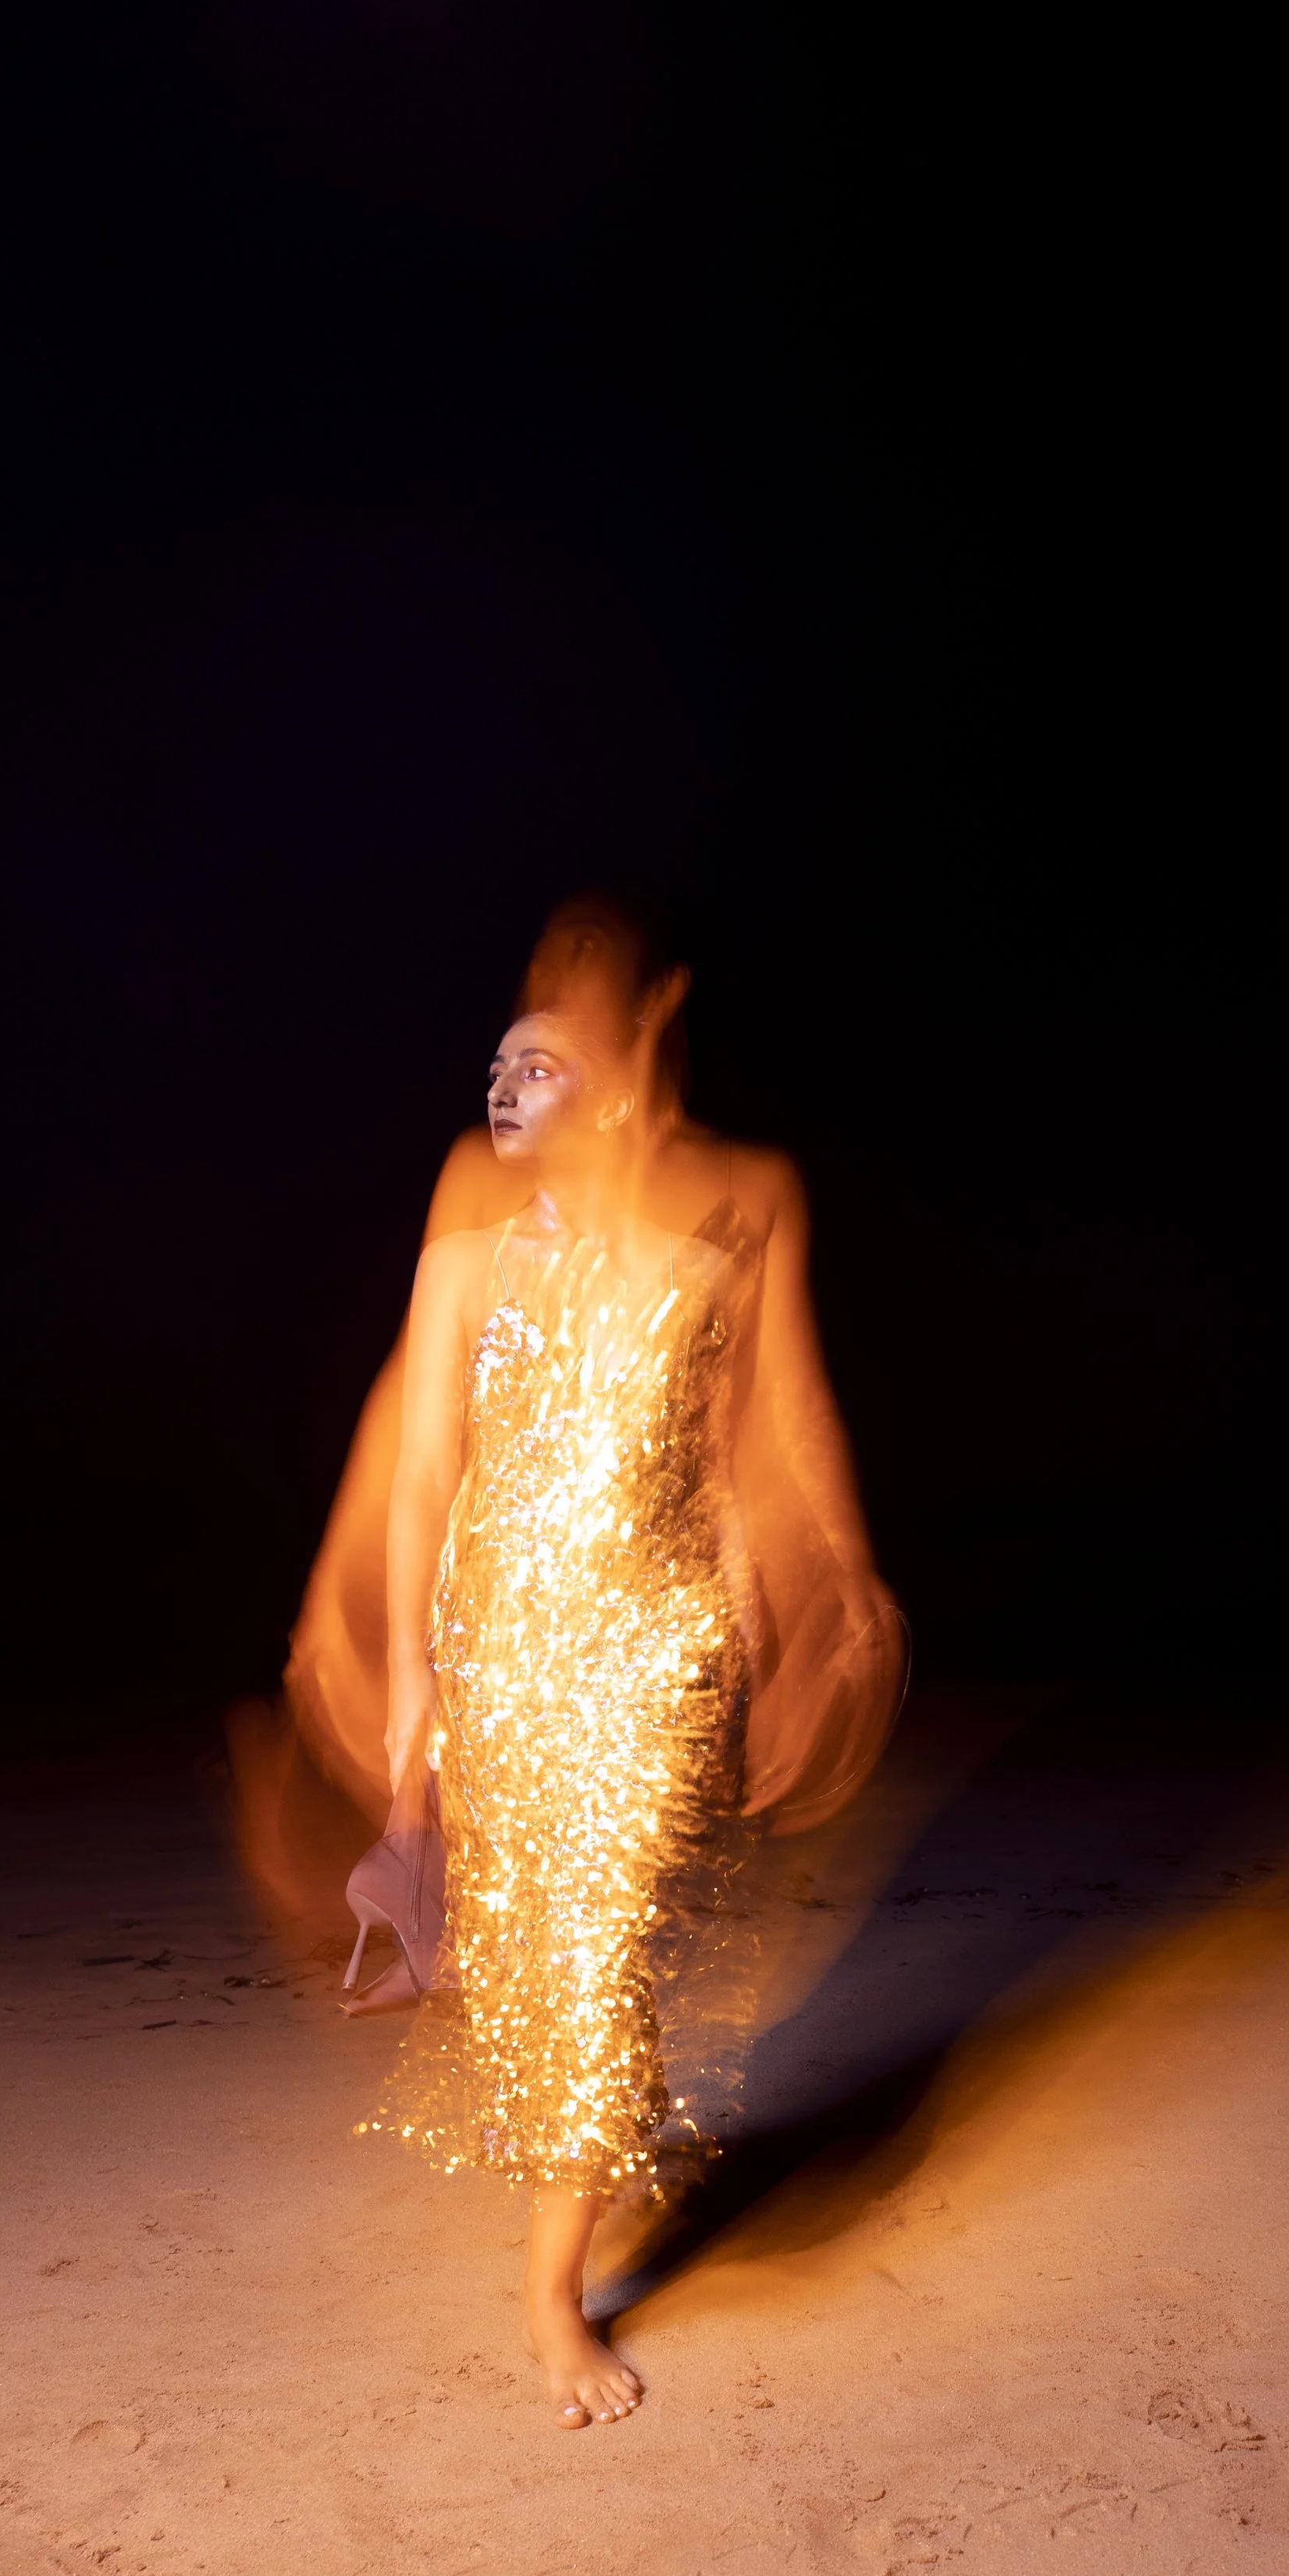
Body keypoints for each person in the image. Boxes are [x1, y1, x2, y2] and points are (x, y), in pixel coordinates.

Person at [287, 901, 902, 2427]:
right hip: (501, 1646)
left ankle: (549, 2294)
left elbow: (781, 1411)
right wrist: (382, 1647)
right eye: (494, 1058)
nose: (502, 1082)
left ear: (631, 1057)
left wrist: (842, 1581)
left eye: (540, 1056)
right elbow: (417, 1438)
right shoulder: (471, 1214)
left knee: (605, 1951)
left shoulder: (745, 1194)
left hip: (660, 1644)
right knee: (552, 1970)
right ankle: (562, 2253)